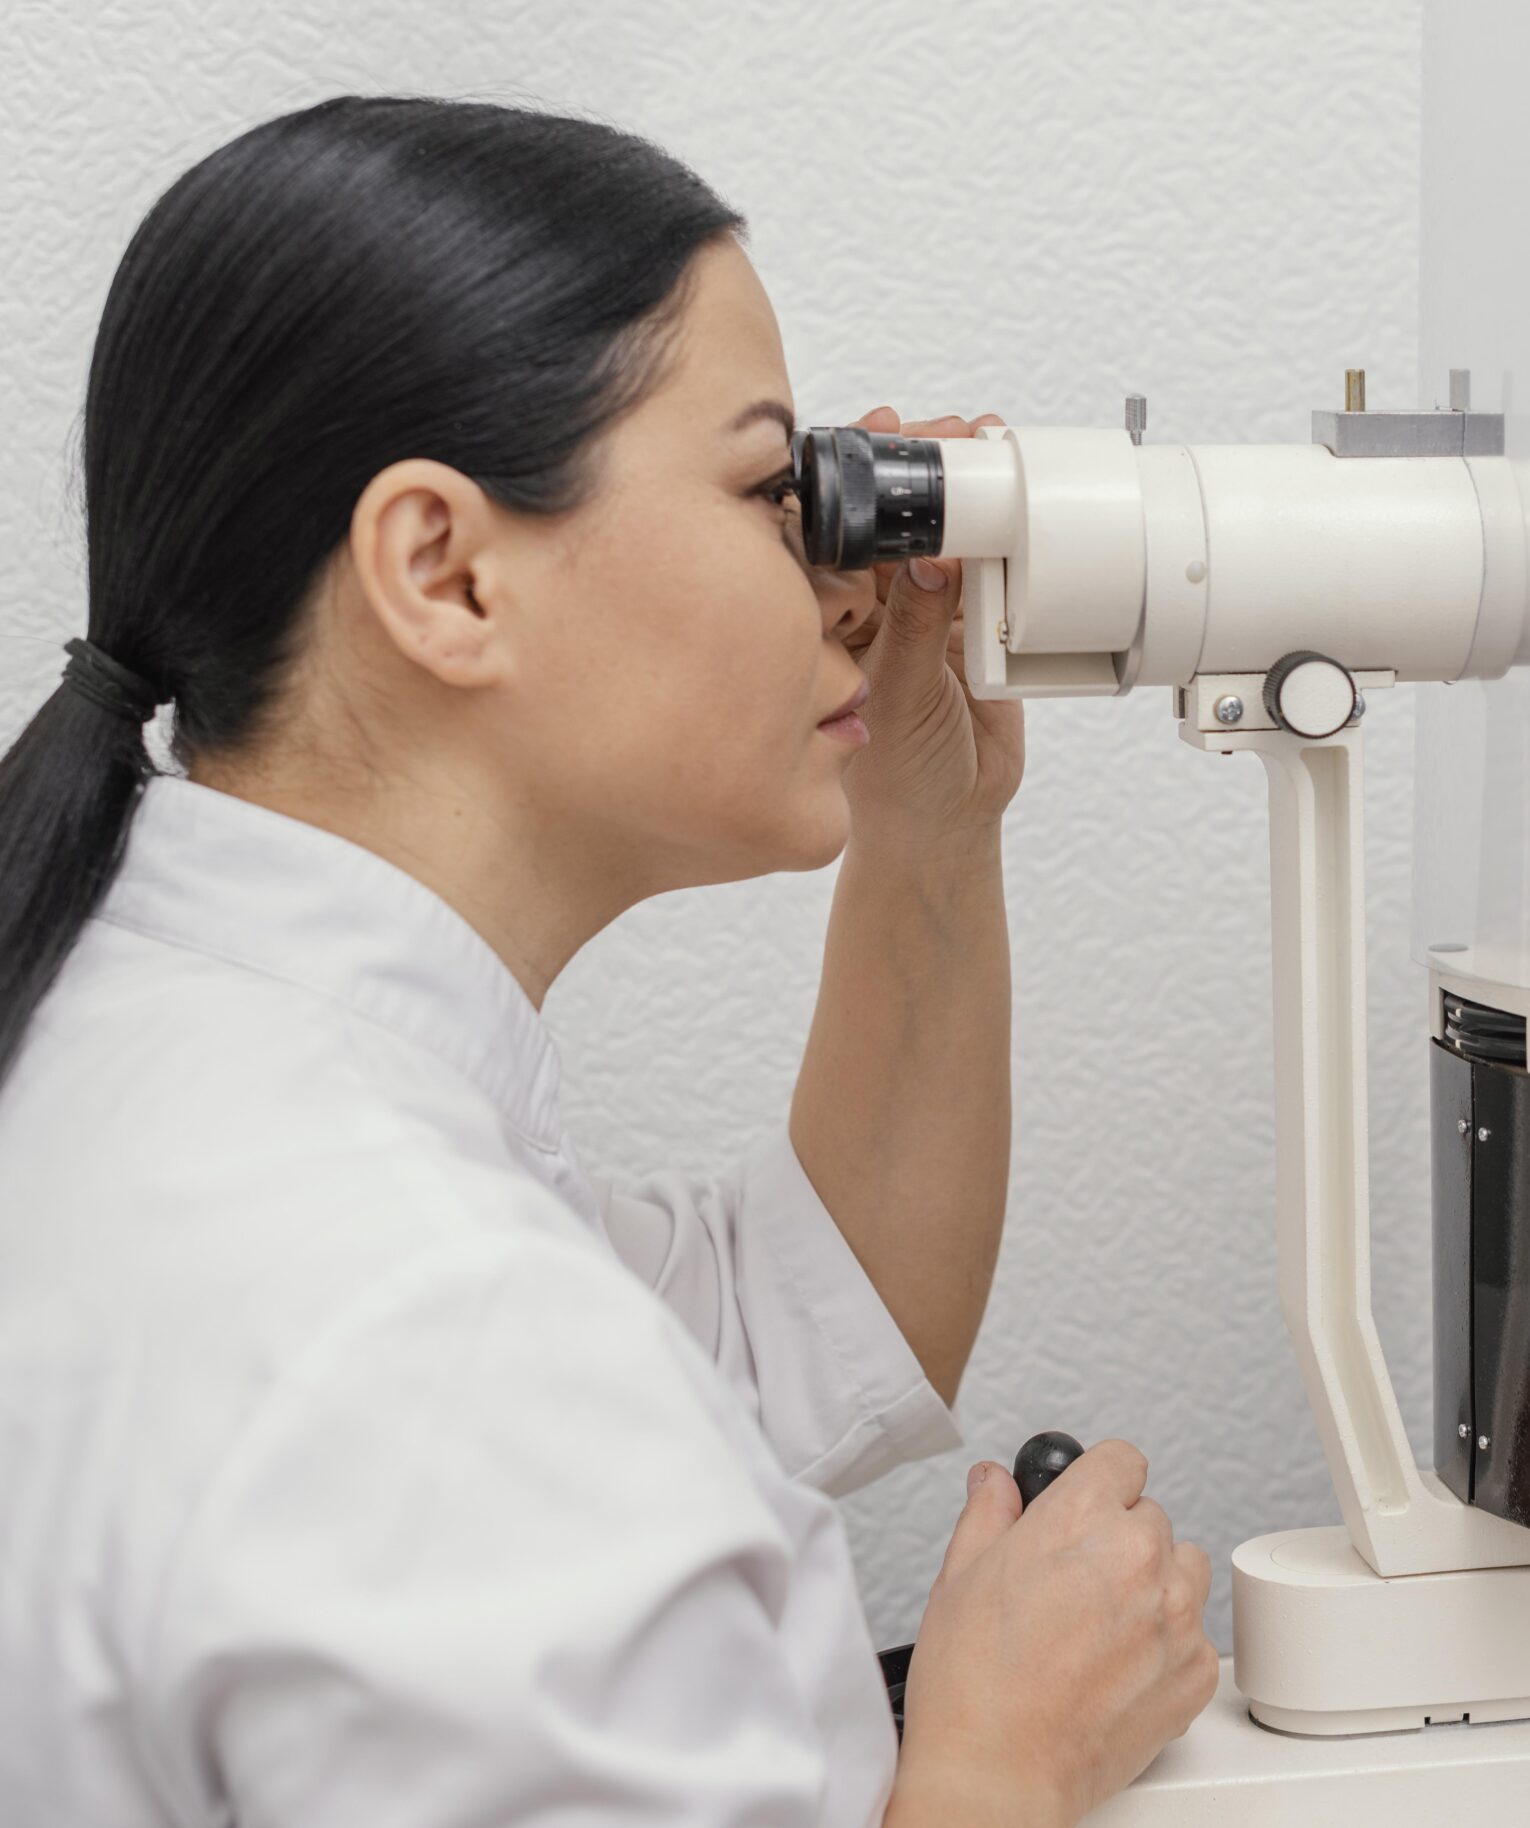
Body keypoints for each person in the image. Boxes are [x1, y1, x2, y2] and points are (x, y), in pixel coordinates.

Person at [0, 95, 1217, 1828]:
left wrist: (929, 820)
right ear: (445, 573)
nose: (833, 562)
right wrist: (992, 1769)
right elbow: (526, 1399)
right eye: (762, 486)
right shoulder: (437, 1338)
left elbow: (801, 1324)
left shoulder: (153, 1018)